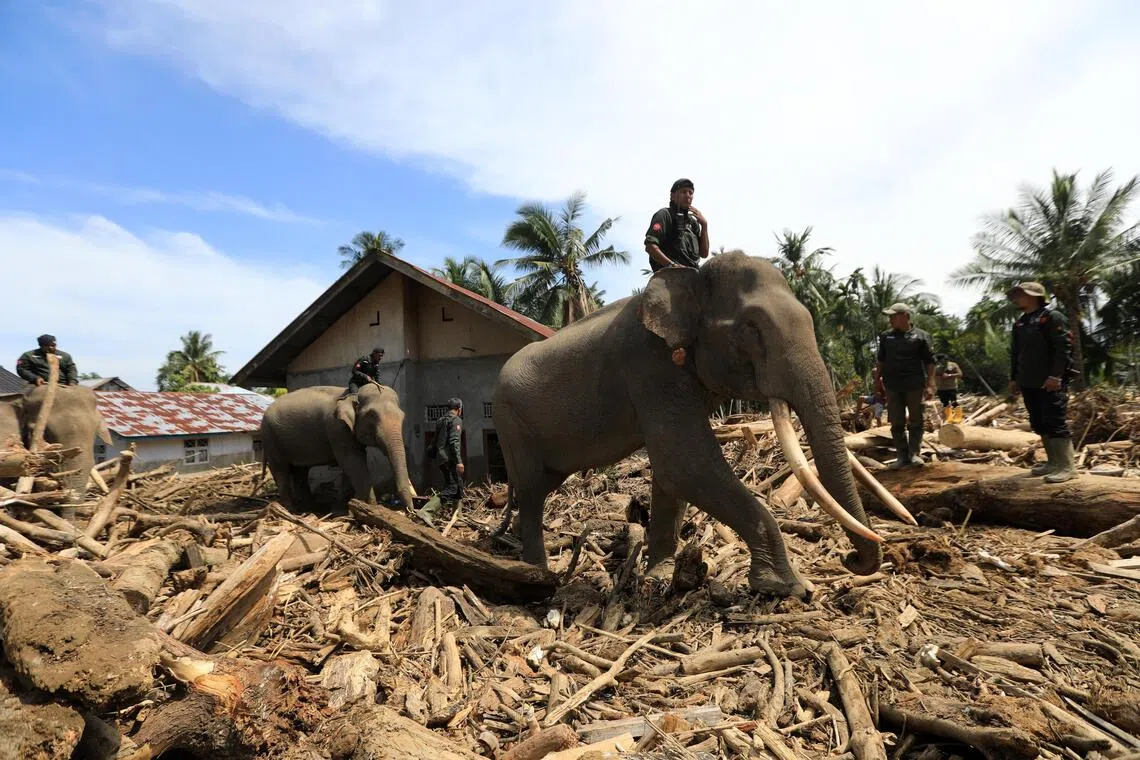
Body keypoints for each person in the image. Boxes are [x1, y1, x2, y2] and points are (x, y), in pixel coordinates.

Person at [1008, 281, 1076, 482]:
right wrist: (1014, 379)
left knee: (1055, 420)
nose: (1016, 298)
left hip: (1050, 381)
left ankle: (1067, 466)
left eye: (1020, 294)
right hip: (1029, 380)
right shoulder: (1021, 322)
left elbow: (1063, 348)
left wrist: (1056, 376)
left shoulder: (1051, 317)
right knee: (1039, 422)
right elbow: (1015, 353)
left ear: (1033, 296)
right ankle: (1053, 463)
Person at [875, 303, 936, 469]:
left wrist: (931, 384)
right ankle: (901, 456)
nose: (890, 319)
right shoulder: (886, 337)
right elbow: (881, 361)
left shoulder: (922, 336)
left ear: (905, 316)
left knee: (916, 420)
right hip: (892, 385)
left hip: (914, 384)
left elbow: (930, 362)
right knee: (896, 422)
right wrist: (877, 383)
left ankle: (914, 454)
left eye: (893, 316)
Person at [643, 178, 710, 272]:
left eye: (690, 193)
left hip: (693, 277)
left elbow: (704, 254)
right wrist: (672, 266)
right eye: (683, 192)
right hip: (669, 277)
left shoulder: (693, 223)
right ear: (673, 196)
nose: (687, 196)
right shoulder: (665, 215)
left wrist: (704, 225)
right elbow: (650, 246)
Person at [434, 398, 465, 502]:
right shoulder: (456, 420)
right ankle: (427, 511)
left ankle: (457, 514)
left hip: (441, 458)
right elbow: (454, 442)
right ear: (459, 409)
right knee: (452, 488)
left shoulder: (440, 421)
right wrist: (459, 462)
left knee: (458, 488)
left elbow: (434, 441)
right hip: (449, 459)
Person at [935, 354, 964, 423]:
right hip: (941, 388)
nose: (944, 361)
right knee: (945, 403)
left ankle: (958, 418)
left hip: (952, 387)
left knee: (954, 402)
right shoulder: (935, 366)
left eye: (945, 360)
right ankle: (949, 418)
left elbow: (960, 374)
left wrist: (949, 375)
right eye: (941, 360)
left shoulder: (953, 365)